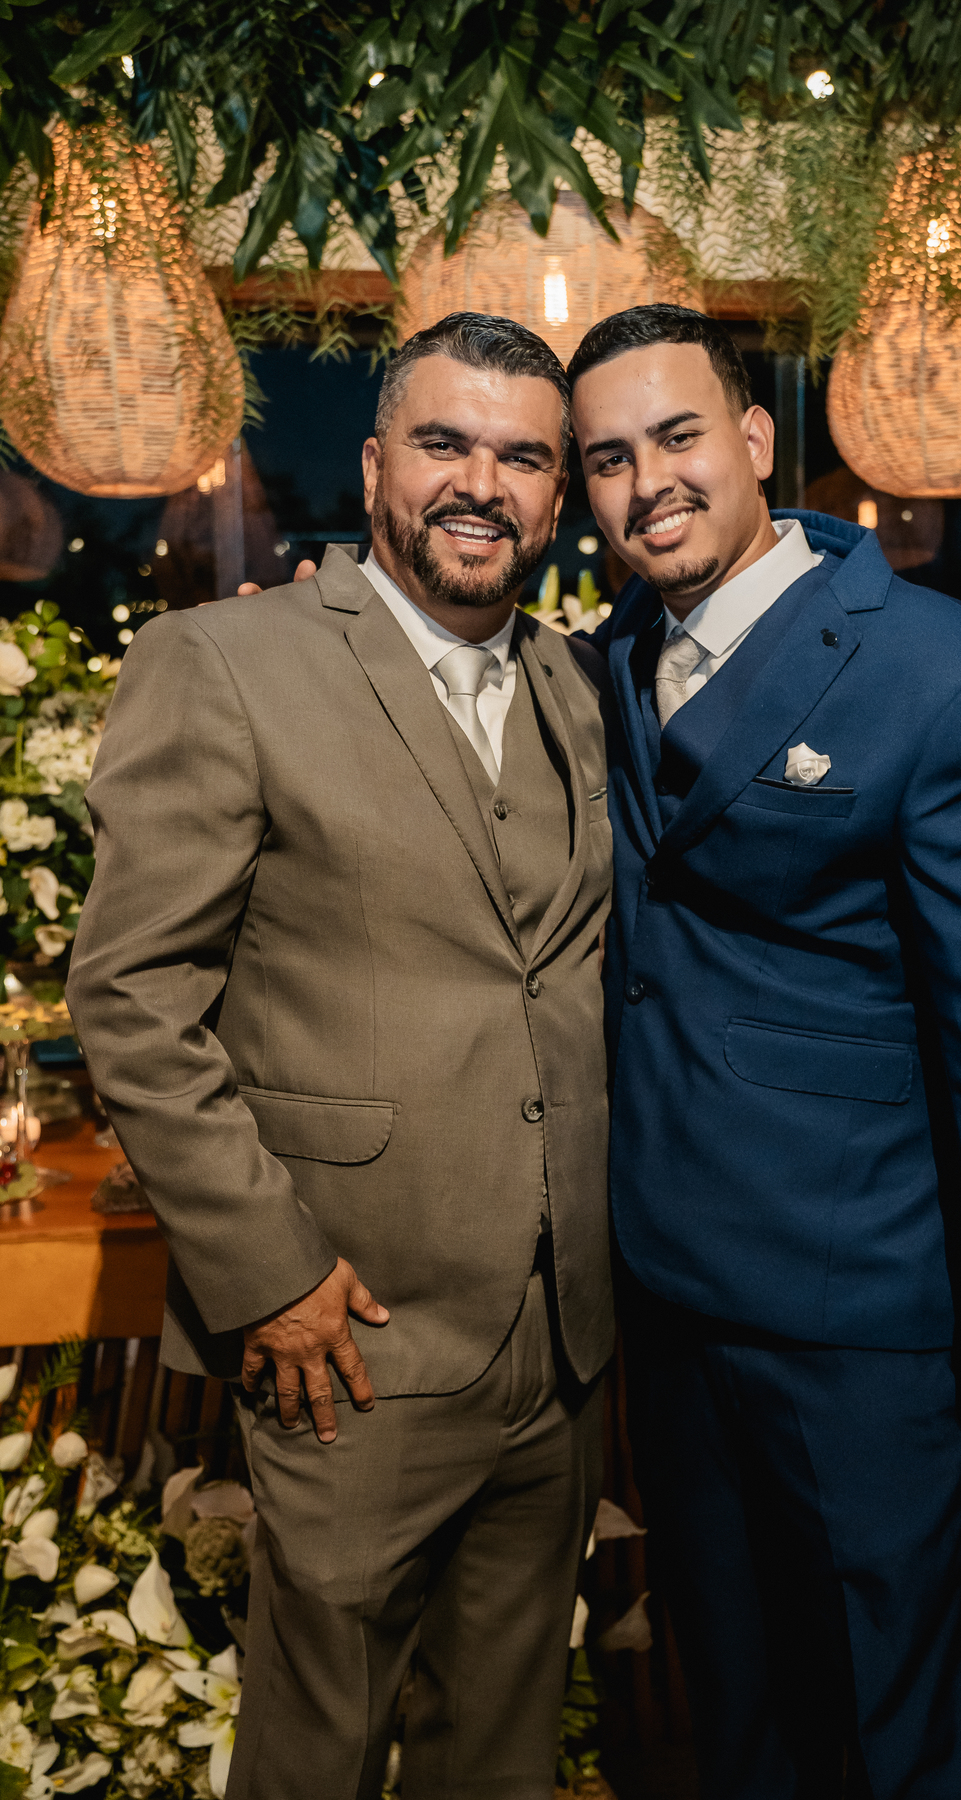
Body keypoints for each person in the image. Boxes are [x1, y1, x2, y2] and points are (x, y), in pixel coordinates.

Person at [67, 312, 615, 1800]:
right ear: (375, 468)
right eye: (444, 443)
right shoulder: (222, 663)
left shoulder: (581, 686)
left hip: (564, 1342)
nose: (481, 484)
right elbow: (133, 997)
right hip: (349, 1336)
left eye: (523, 458)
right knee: (316, 1755)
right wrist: (270, 1275)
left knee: (500, 1755)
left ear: (558, 495)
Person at [567, 304, 961, 1800]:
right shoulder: (612, 655)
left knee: (896, 1719)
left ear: (753, 440)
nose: (647, 483)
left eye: (678, 437)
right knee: (739, 1709)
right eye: (608, 458)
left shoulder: (941, 675)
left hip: (862, 1310)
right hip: (672, 1294)